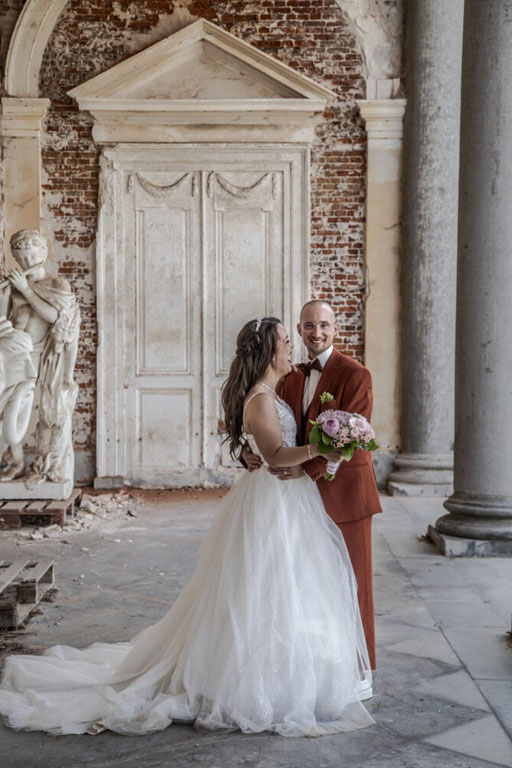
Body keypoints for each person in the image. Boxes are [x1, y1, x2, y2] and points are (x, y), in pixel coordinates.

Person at [0, 317, 374, 738]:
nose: (293, 347)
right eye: (287, 341)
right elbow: (274, 454)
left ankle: (290, 672)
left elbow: (249, 437)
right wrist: (321, 447)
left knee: (291, 584)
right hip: (273, 500)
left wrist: (262, 448)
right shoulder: (261, 398)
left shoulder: (272, 391)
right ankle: (250, 679)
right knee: (264, 585)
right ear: (270, 352)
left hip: (289, 498)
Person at [243, 301, 382, 676]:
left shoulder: (356, 375)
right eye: (308, 326)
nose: (316, 333)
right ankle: (320, 668)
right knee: (311, 585)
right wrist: (247, 450)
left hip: (346, 495)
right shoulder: (290, 376)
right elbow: (265, 424)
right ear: (299, 330)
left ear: (336, 329)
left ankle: (360, 669)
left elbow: (354, 440)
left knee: (354, 584)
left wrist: (305, 469)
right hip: (299, 500)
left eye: (323, 325)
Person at [0, 229, 80, 483]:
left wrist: (26, 289)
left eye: (32, 257)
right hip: (12, 349)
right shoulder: (14, 286)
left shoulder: (57, 285)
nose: (27, 263)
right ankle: (16, 461)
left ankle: (44, 462)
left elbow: (57, 318)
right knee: (7, 408)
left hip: (39, 353)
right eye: (22, 259)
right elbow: (5, 318)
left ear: (43, 253)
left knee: (35, 408)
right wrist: (4, 295)